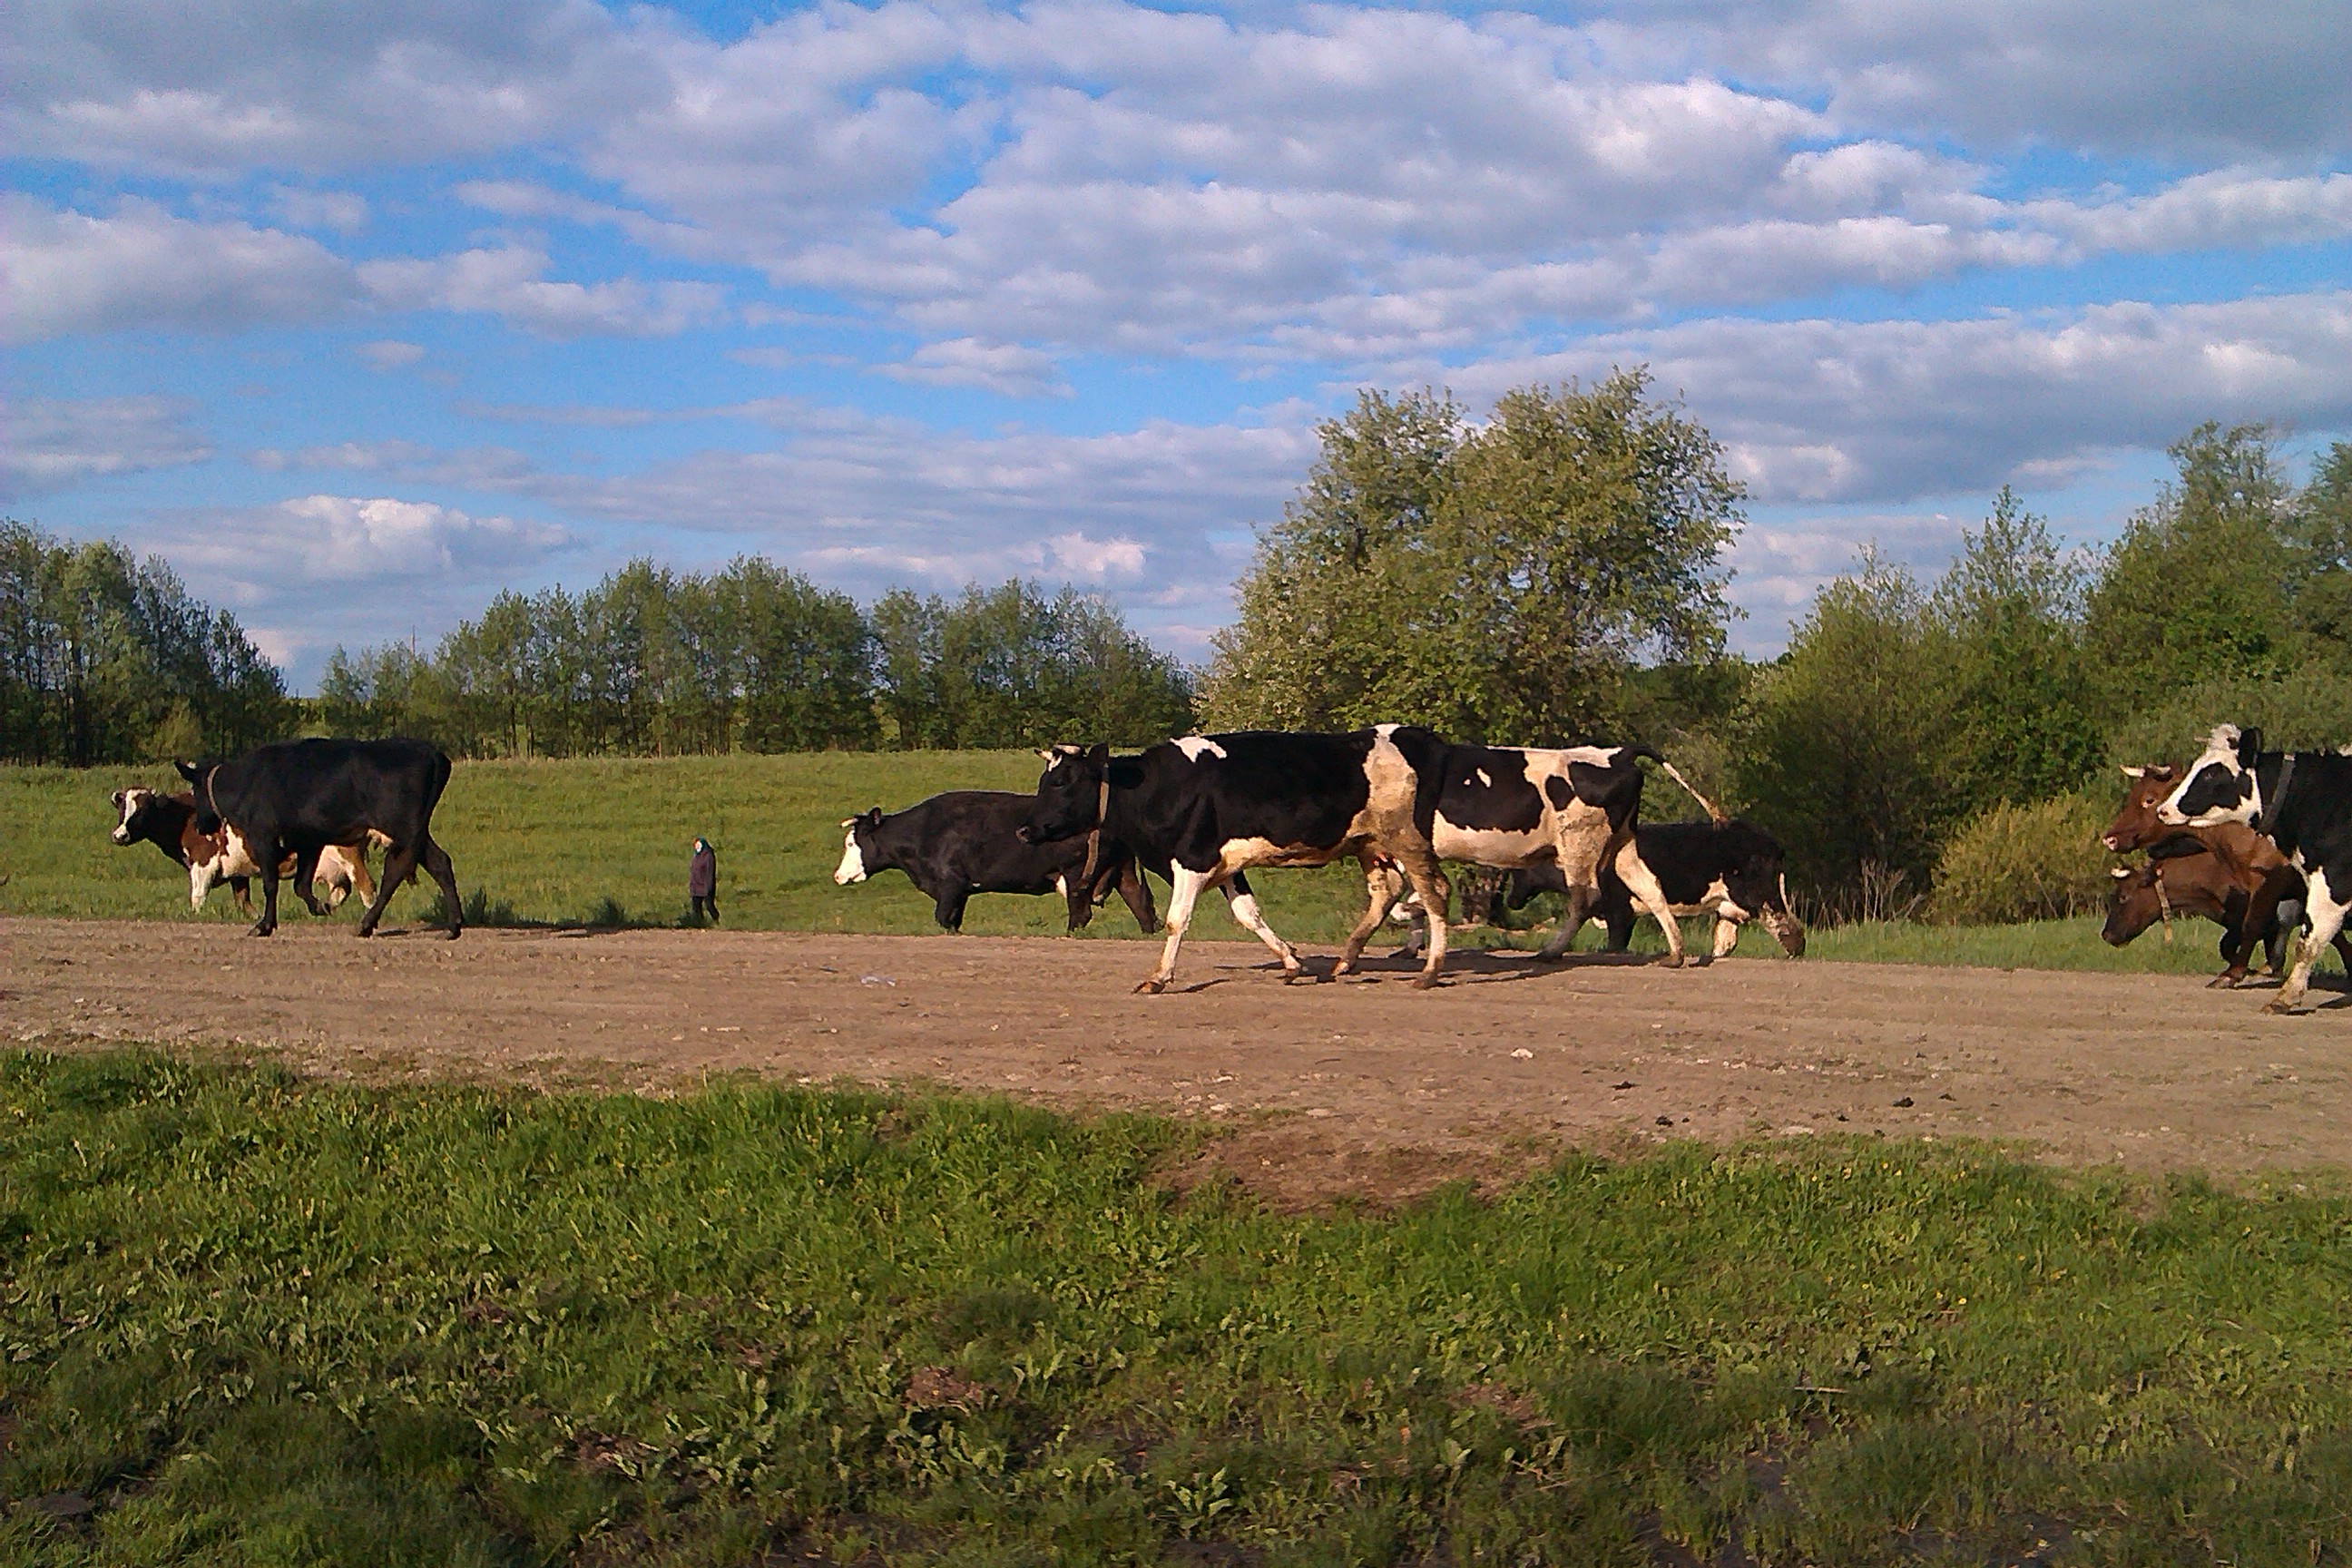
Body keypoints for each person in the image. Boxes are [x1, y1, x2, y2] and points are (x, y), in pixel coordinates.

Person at [689, 837, 719, 923]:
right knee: (696, 907)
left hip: (705, 886)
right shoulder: (696, 856)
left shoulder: (708, 856)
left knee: (709, 905)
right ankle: (700, 923)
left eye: (698, 845)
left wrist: (708, 887)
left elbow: (710, 873)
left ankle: (716, 920)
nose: (697, 847)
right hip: (696, 886)